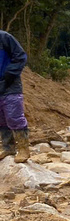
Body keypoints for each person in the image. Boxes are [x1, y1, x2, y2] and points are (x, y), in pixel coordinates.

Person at [0, 30, 30, 163]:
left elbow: (20, 56)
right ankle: (8, 147)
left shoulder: (4, 37)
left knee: (14, 116)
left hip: (10, 84)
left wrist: (9, 74)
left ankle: (23, 149)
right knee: (1, 119)